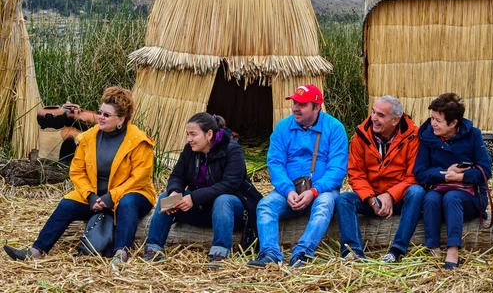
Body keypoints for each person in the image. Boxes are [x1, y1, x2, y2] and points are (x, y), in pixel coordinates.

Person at [3, 86, 156, 264]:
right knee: (67, 204)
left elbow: (140, 178)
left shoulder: (139, 141)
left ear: (121, 119)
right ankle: (35, 251)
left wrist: (111, 197)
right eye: (100, 112)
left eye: (106, 115)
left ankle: (120, 254)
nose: (100, 117)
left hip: (132, 194)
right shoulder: (88, 138)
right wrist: (90, 195)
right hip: (96, 196)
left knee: (127, 202)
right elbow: (77, 171)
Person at [142, 113, 262, 267]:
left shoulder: (232, 150)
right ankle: (154, 250)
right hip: (200, 208)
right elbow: (177, 176)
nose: (189, 139)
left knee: (223, 199)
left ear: (209, 134)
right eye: (187, 134)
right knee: (166, 197)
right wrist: (175, 192)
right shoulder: (189, 150)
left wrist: (193, 198)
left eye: (193, 134)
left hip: (231, 210)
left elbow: (229, 185)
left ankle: (219, 254)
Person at [247, 84, 348, 268]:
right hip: (290, 190)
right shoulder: (282, 127)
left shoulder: (334, 128)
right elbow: (275, 163)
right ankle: (270, 253)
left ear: (317, 107)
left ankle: (302, 252)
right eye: (294, 103)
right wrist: (288, 190)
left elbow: (337, 169)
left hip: (321, 190)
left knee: (324, 204)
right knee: (265, 205)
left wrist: (315, 191)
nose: (295, 108)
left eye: (302, 104)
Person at [336, 95, 424, 263]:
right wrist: (370, 199)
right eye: (373, 112)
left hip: (400, 198)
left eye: (381, 115)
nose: (374, 118)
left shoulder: (413, 137)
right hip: (372, 196)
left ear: (395, 120)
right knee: (343, 199)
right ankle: (353, 252)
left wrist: (390, 195)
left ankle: (396, 250)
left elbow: (414, 176)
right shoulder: (361, 135)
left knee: (417, 191)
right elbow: (356, 172)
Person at [414, 93, 492, 270]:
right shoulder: (428, 138)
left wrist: (462, 177)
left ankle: (453, 249)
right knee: (430, 198)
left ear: (454, 123)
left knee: (452, 197)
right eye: (432, 118)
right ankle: (433, 247)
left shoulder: (473, 136)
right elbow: (420, 172)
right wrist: (444, 174)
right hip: (438, 191)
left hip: (468, 197)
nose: (433, 123)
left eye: (438, 120)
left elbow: (485, 170)